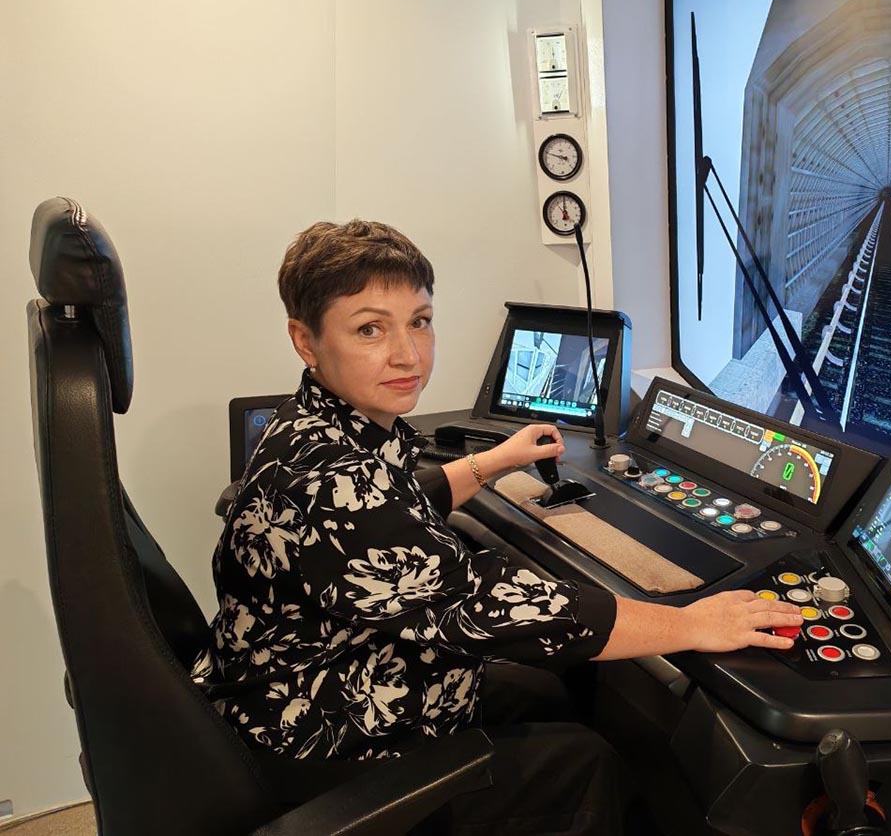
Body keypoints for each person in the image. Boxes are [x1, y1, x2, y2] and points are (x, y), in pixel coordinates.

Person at [191, 219, 806, 834]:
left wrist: (494, 462)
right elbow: (485, 605)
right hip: (322, 742)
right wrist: (691, 623)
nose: (408, 354)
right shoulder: (330, 484)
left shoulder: (316, 426)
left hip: (299, 684)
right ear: (306, 341)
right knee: (588, 759)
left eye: (419, 321)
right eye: (370, 329)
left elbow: (398, 502)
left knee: (546, 692)